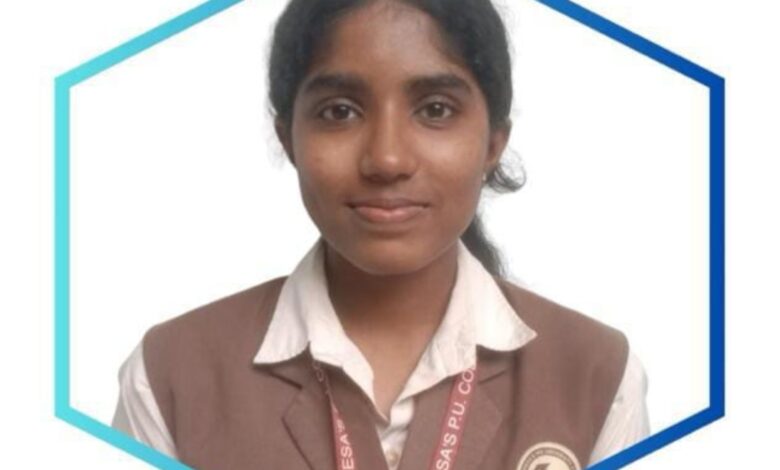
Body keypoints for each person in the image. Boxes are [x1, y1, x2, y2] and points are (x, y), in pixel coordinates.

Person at [112, 0, 650, 469]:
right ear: (289, 139)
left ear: (492, 143)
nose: (387, 159)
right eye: (340, 111)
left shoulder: (596, 378)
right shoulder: (170, 378)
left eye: (435, 109)